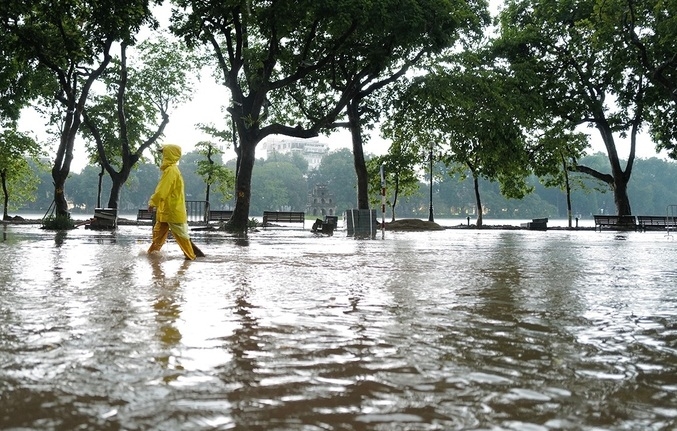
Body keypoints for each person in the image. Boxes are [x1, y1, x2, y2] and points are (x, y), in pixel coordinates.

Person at [147, 144, 203, 260]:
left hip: (172, 211)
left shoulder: (171, 171)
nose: (162, 156)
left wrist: (153, 202)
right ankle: (151, 259)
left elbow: (162, 189)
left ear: (169, 154)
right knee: (157, 237)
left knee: (182, 237)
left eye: (164, 153)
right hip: (166, 212)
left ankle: (191, 257)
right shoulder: (171, 170)